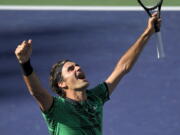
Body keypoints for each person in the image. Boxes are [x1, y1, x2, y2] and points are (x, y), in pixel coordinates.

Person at [15, 12, 161, 135]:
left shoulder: (95, 98)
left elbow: (122, 68)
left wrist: (147, 33)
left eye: (77, 66)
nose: (78, 68)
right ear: (62, 83)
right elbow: (37, 92)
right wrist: (24, 63)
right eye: (70, 69)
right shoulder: (56, 108)